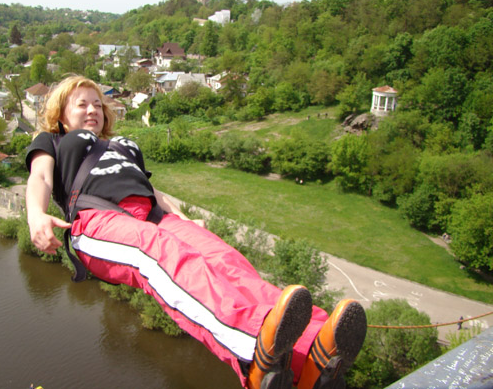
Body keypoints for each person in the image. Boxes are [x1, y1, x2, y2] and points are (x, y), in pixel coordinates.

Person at [25, 75, 367, 389]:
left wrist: (184, 218)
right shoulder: (54, 141)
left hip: (152, 217)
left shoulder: (123, 145)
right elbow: (39, 176)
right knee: (160, 253)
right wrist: (35, 215)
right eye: (82, 104)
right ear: (61, 115)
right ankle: (252, 346)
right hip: (98, 220)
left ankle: (311, 350)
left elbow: (151, 191)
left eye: (98, 104)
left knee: (224, 259)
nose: (93, 110)